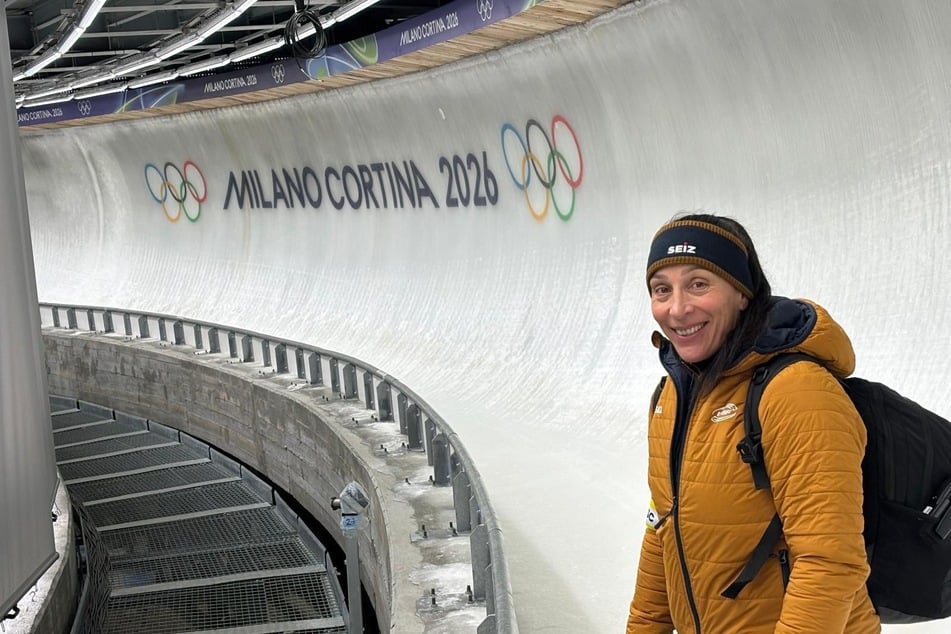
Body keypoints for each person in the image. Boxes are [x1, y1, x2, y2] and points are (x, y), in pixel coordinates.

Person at [626, 213, 881, 633]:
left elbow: (829, 561)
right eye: (661, 290)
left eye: (698, 284)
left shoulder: (797, 391)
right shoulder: (671, 397)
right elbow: (661, 531)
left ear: (742, 293)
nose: (677, 308)